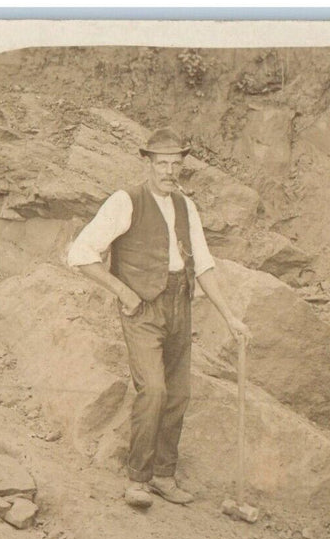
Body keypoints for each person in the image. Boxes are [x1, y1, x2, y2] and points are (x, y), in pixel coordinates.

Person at [67, 128, 251, 508]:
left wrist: (231, 316)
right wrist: (122, 291)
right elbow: (80, 253)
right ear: (147, 163)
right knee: (154, 390)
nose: (169, 171)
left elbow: (203, 264)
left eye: (176, 164)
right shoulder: (126, 200)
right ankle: (137, 479)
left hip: (179, 304)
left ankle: (164, 476)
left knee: (178, 394)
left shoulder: (186, 206)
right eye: (162, 163)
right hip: (142, 308)